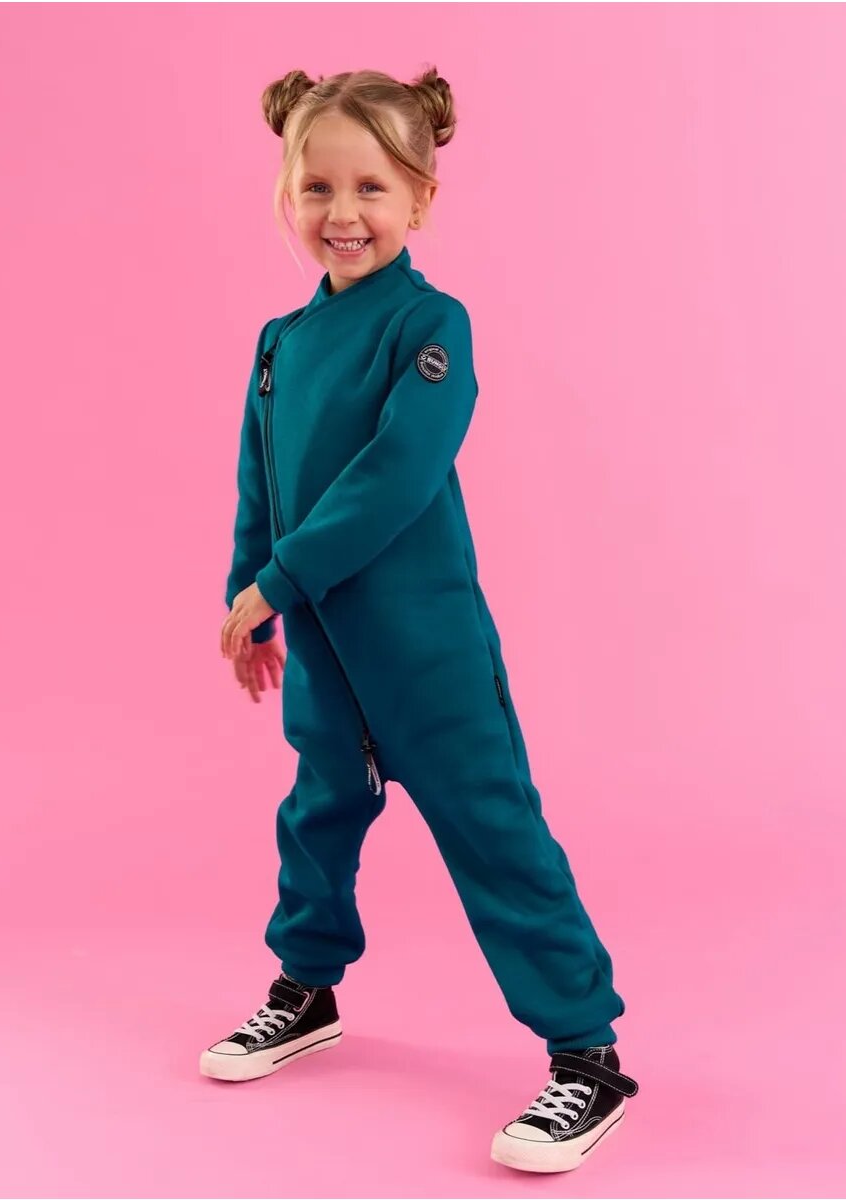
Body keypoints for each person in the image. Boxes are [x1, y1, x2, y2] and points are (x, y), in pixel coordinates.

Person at [203, 66, 639, 1175]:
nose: (342, 212)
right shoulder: (278, 343)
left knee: (493, 830)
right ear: (288, 192)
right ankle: (307, 989)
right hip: (321, 652)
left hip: (427, 650)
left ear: (420, 199)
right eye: (317, 187)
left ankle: (587, 1053)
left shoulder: (430, 325)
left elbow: (396, 473)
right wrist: (250, 600)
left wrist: (280, 580)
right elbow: (263, 485)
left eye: (371, 188)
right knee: (318, 815)